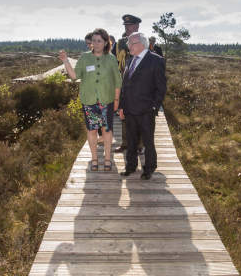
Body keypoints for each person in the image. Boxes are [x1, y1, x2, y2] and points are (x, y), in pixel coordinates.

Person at [59, 28, 121, 171]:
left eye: (99, 41)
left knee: (106, 129)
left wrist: (117, 100)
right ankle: (94, 158)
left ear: (106, 42)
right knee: (92, 130)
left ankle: (107, 158)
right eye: (94, 40)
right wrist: (66, 61)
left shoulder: (111, 58)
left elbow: (118, 81)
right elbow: (74, 76)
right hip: (89, 100)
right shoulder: (84, 57)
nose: (96, 43)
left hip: (107, 99)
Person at [118, 32, 167, 180]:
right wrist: (122, 106)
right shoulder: (129, 61)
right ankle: (130, 166)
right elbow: (125, 86)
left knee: (147, 141)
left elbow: (161, 87)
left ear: (141, 45)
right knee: (131, 140)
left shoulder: (155, 60)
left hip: (146, 110)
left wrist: (153, 107)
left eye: (132, 44)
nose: (128, 46)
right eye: (129, 44)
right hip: (129, 109)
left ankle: (149, 168)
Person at [112, 15, 144, 155]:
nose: (127, 27)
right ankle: (125, 143)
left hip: (139, 85)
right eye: (126, 25)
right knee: (123, 114)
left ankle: (139, 145)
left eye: (130, 25)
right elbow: (114, 60)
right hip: (125, 83)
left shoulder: (143, 40)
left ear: (137, 26)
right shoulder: (120, 43)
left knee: (139, 116)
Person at [84, 32, 105, 143]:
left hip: (102, 94)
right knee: (94, 120)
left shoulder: (105, 57)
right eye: (87, 43)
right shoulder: (86, 57)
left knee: (102, 118)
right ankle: (97, 136)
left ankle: (102, 136)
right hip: (90, 95)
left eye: (90, 42)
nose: (89, 45)